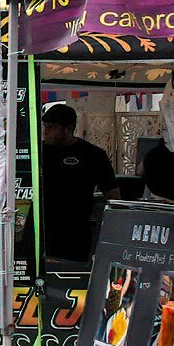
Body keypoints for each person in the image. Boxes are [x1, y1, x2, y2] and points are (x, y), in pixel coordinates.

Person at [40, 104, 119, 262]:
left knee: (72, 275)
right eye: (45, 126)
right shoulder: (39, 153)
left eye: (52, 127)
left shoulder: (92, 155)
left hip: (75, 232)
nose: (46, 132)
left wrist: (111, 229)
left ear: (68, 128)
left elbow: (113, 195)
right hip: (41, 230)